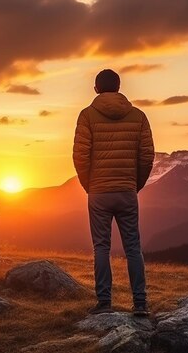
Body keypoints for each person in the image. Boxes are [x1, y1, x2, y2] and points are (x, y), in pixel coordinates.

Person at [73, 69, 154, 316]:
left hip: (98, 192)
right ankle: (140, 304)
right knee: (133, 247)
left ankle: (104, 303)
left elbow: (80, 155)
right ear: (119, 87)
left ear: (96, 89)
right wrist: (134, 184)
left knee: (101, 247)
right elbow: (147, 156)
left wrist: (90, 186)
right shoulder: (138, 116)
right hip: (127, 191)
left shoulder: (87, 116)